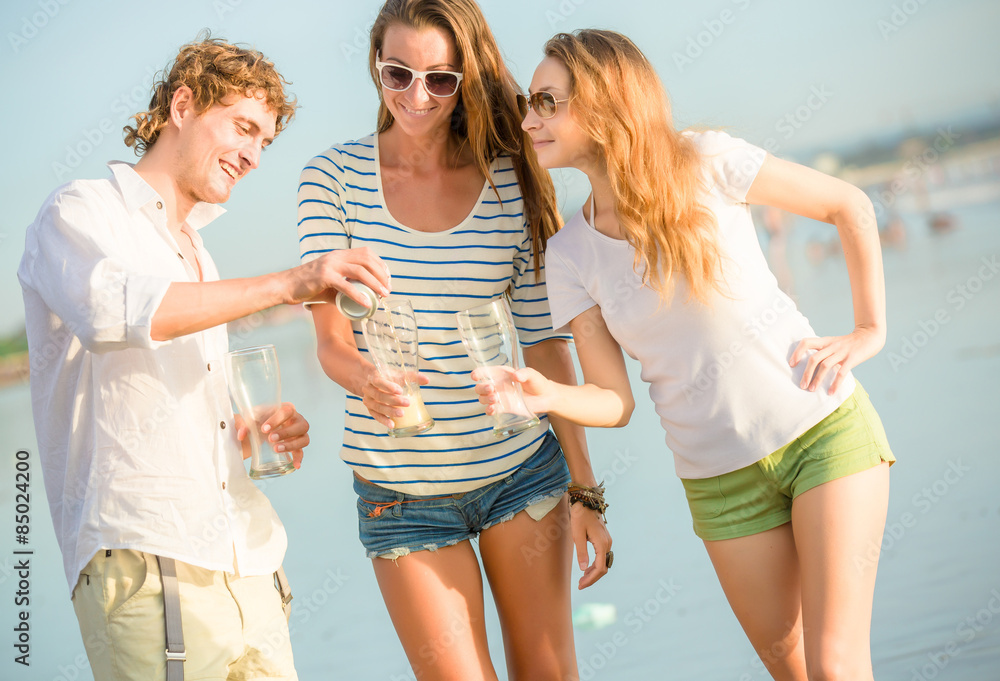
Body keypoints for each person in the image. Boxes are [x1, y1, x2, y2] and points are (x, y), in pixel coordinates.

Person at [477, 29, 895, 680]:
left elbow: (849, 205)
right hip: (720, 484)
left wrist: (869, 328)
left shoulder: (706, 160)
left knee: (836, 663)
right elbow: (614, 401)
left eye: (547, 101)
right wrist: (547, 393)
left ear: (606, 102)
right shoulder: (569, 255)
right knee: (791, 665)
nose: (529, 119)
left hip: (822, 434)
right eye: (531, 103)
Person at [18, 36, 389, 681]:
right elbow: (116, 314)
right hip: (147, 566)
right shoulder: (81, 210)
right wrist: (292, 282)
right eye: (243, 127)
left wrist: (247, 430)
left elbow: (172, 402)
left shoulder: (199, 252)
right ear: (182, 105)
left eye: (265, 142)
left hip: (250, 561)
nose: (251, 154)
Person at [296, 2, 611, 679]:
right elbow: (328, 341)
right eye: (398, 73)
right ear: (376, 66)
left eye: (439, 79)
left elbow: (547, 348)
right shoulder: (331, 179)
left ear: (465, 77)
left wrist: (585, 493)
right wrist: (365, 380)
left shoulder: (511, 177)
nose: (417, 96)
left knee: (549, 672)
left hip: (521, 477)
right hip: (401, 497)